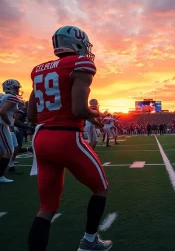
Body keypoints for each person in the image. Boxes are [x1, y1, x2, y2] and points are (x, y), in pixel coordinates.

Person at [27, 26, 112, 251]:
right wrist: (95, 116)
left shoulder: (38, 70)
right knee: (100, 187)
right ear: (76, 42)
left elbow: (31, 115)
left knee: (46, 206)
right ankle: (90, 241)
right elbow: (78, 110)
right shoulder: (80, 64)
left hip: (41, 138)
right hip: (66, 136)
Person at [0, 80, 22, 183]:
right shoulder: (12, 98)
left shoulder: (2, 97)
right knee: (8, 151)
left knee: (3, 152)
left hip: (3, 125)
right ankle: (0, 176)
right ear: (10, 88)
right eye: (16, 88)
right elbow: (2, 111)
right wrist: (8, 123)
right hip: (2, 126)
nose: (18, 90)